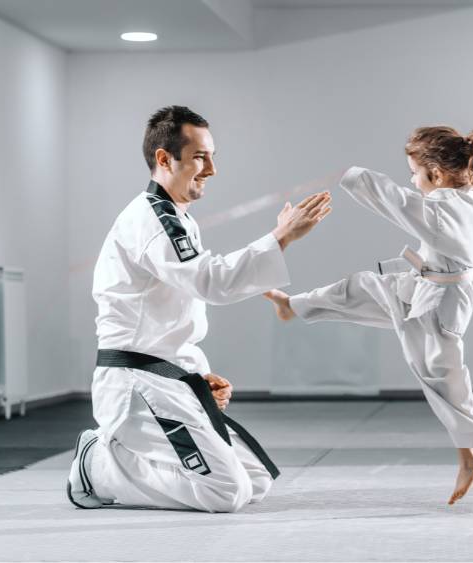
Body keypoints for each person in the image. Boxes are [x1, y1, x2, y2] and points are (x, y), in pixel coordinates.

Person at [67, 105, 331, 513]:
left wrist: (194, 374)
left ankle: (123, 457)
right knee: (223, 492)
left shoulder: (178, 218)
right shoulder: (154, 218)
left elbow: (169, 311)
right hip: (136, 384)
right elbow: (211, 282)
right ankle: (97, 464)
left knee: (255, 481)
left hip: (166, 377)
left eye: (212, 156)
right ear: (164, 158)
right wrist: (280, 237)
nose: (211, 169)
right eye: (200, 157)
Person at [265, 126, 473, 505]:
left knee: (440, 373)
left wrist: (350, 176)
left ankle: (470, 455)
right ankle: (292, 305)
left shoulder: (439, 211)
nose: (412, 180)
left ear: (437, 174)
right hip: (424, 281)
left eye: (414, 172)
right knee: (361, 288)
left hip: (442, 299)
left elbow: (395, 201)